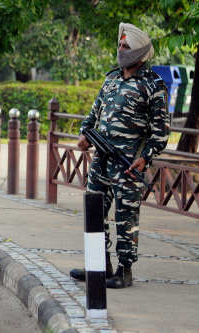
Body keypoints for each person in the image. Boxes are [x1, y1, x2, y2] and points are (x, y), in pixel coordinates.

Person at [70, 23, 170, 288]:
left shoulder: (153, 85)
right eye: (120, 45)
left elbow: (160, 131)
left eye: (126, 46)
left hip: (127, 165)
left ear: (140, 52)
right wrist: (84, 134)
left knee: (126, 217)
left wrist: (144, 158)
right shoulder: (111, 79)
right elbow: (94, 114)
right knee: (94, 213)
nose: (121, 49)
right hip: (101, 160)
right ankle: (98, 266)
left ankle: (124, 271)